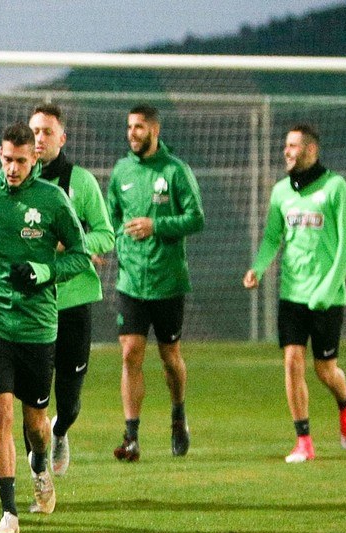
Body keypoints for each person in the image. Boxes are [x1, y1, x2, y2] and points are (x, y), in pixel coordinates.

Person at [0, 122, 89, 533]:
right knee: (1, 414)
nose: (13, 169)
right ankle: (8, 511)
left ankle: (40, 466)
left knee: (36, 423)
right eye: (8, 160)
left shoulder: (53, 199)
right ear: (0, 155)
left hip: (38, 325)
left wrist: (43, 270)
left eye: (21, 162)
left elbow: (80, 256)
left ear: (35, 160)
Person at [243, 124, 346, 463]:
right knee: (292, 361)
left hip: (326, 297)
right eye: (285, 145)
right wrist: (258, 267)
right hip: (292, 294)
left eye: (293, 146)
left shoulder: (335, 187)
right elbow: (272, 237)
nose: (286, 151)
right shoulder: (281, 192)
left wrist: (328, 288)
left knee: (325, 371)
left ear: (311, 150)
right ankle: (303, 441)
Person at [106, 104, 204, 462]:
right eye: (129, 127)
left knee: (169, 357)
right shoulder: (121, 171)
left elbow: (196, 218)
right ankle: (131, 436)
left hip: (167, 281)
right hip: (131, 280)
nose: (132, 133)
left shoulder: (175, 171)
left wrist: (156, 226)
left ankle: (178, 414)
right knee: (130, 352)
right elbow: (111, 216)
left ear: (154, 130)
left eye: (139, 127)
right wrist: (112, 242)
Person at [24, 104, 114, 478]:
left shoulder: (82, 182)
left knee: (70, 400)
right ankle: (38, 474)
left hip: (74, 301)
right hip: (32, 304)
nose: (39, 138)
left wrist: (73, 243)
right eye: (34, 131)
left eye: (47, 131)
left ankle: (60, 431)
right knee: (32, 397)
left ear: (62, 138)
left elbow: (106, 235)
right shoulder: (15, 181)